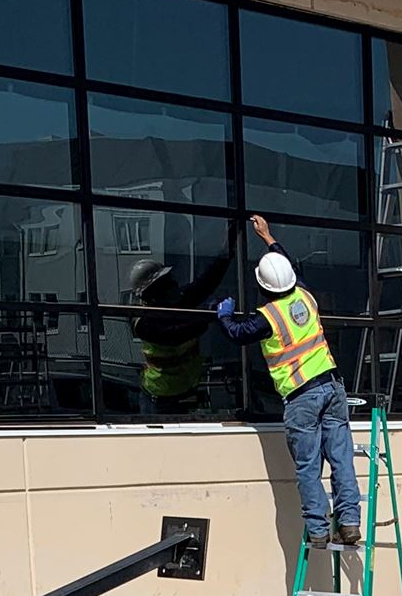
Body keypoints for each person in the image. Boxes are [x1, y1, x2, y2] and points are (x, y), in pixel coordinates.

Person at [212, 213, 361, 546]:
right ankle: (349, 523)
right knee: (341, 459)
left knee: (308, 466)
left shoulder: (268, 317)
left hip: (302, 397)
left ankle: (319, 531)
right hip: (333, 387)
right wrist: (268, 237)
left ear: (262, 286)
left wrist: (222, 314)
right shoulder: (305, 295)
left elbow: (237, 334)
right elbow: (288, 264)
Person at [126, 246, 233, 413]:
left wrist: (227, 249)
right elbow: (176, 334)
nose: (174, 285)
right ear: (153, 293)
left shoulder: (173, 303)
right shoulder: (143, 323)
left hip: (188, 390)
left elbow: (206, 283)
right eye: (167, 283)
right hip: (160, 401)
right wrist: (208, 314)